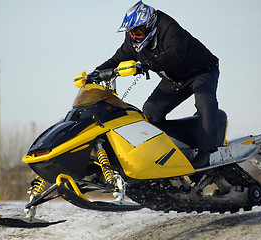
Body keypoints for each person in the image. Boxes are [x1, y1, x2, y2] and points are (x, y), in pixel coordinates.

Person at [94, 1, 220, 169]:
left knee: (204, 103)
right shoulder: (132, 40)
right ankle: (168, 151)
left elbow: (175, 55)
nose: (134, 36)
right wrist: (96, 72)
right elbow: (117, 59)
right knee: (150, 111)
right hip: (174, 81)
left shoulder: (169, 27)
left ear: (150, 23)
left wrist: (147, 65)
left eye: (138, 32)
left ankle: (205, 152)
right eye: (131, 33)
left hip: (201, 71)